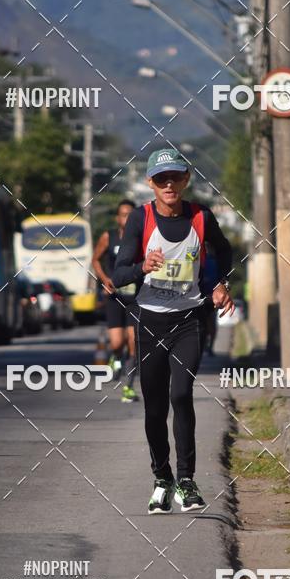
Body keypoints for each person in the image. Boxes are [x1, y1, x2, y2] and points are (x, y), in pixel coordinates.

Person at [113, 148, 234, 515]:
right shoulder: (140, 218)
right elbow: (118, 275)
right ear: (150, 183)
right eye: (161, 179)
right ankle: (162, 477)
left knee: (181, 395)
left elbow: (224, 252)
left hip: (188, 321)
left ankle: (186, 480)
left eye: (175, 177)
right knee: (155, 407)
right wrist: (142, 267)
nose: (169, 185)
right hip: (149, 322)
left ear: (186, 180)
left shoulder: (201, 216)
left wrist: (219, 284)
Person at [92, 199, 139, 403]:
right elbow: (95, 259)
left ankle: (129, 386)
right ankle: (116, 359)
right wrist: (105, 280)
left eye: (131, 215)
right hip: (114, 296)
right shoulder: (108, 237)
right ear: (118, 218)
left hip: (135, 298)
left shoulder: (142, 238)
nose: (127, 218)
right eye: (124, 215)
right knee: (117, 343)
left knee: (134, 342)